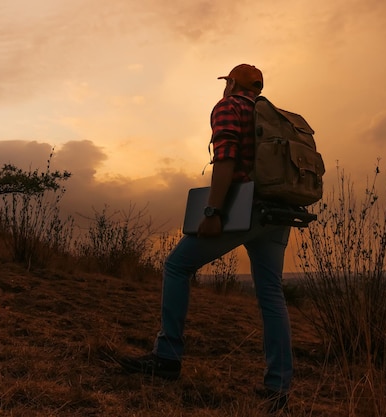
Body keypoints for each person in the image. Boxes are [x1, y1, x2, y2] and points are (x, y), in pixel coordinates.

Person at [118, 64, 293, 412]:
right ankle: (278, 387)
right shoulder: (272, 116)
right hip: (278, 213)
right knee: (271, 295)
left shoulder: (229, 106)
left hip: (246, 206)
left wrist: (212, 213)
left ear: (231, 83)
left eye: (227, 81)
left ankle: (166, 357)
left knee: (176, 266)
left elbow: (225, 159)